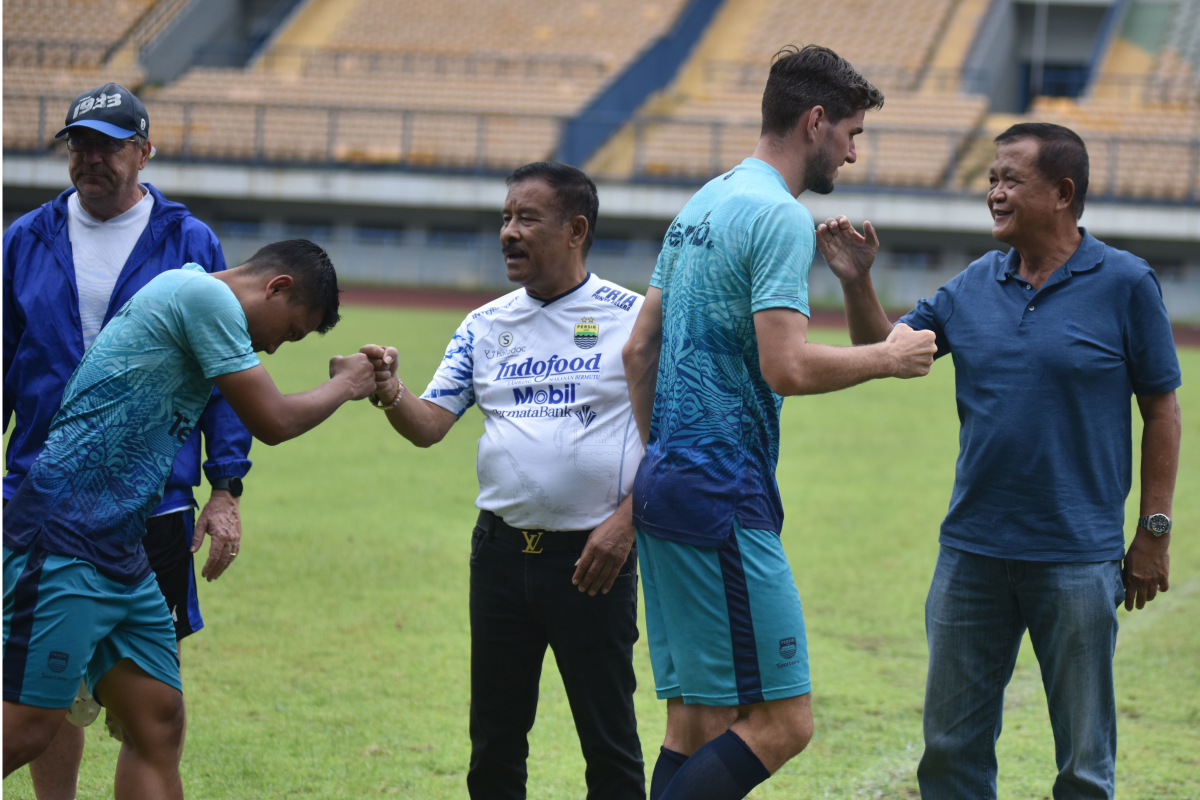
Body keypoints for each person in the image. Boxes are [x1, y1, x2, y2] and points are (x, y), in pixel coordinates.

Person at [816, 122, 1181, 799]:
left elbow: (1162, 409)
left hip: (1077, 556)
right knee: (951, 753)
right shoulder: (971, 286)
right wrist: (859, 284)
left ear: (1063, 193)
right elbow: (889, 352)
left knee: (1083, 762)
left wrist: (1153, 532)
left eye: (1011, 179)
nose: (994, 192)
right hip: (971, 556)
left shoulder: (1126, 283)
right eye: (991, 179)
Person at [620, 45, 938, 800]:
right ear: (815, 121)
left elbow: (640, 349)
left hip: (665, 480)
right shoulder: (778, 217)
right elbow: (786, 367)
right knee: (784, 723)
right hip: (722, 492)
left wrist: (662, 454)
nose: (853, 155)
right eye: (852, 134)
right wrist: (890, 358)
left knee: (699, 722)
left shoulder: (703, 203)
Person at [2, 239, 378, 799]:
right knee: (28, 728)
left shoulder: (192, 293)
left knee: (157, 722)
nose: (275, 346)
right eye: (290, 330)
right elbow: (271, 420)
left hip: (122, 550)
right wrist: (349, 384)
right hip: (64, 535)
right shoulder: (204, 297)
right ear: (278, 287)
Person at [2, 83, 253, 799]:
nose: (92, 159)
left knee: (146, 703)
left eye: (110, 144)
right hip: (41, 494)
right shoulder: (25, 239)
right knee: (42, 691)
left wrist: (226, 487)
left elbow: (226, 372)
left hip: (157, 502)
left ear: (145, 149)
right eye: (80, 144)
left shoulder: (188, 241)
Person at [364, 162, 647, 799]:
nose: (508, 233)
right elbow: (430, 423)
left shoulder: (634, 318)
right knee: (494, 743)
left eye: (527, 218)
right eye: (505, 217)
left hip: (592, 559)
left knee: (609, 743)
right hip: (498, 556)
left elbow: (678, 440)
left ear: (576, 229)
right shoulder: (483, 324)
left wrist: (623, 528)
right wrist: (389, 391)